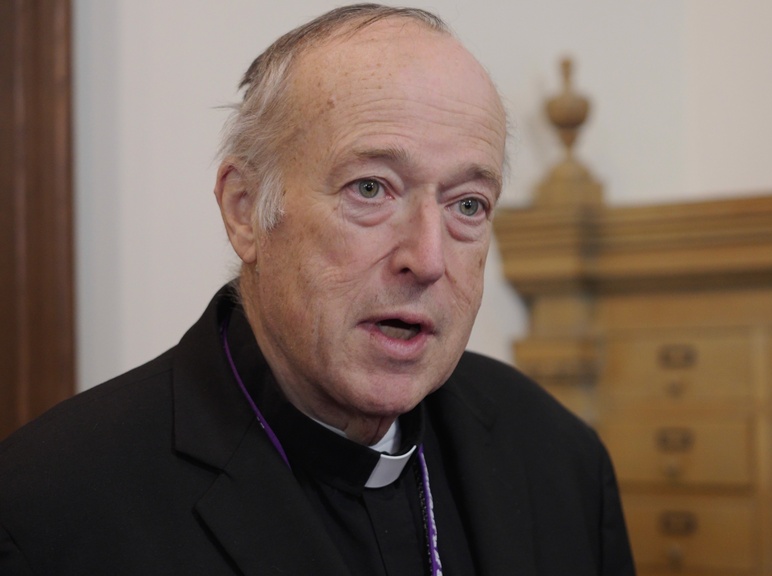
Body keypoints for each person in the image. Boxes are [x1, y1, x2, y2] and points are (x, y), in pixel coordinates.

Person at [0, 4, 635, 575]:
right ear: (245, 211)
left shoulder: (561, 462)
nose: (428, 258)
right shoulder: (49, 506)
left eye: (468, 204)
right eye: (370, 189)